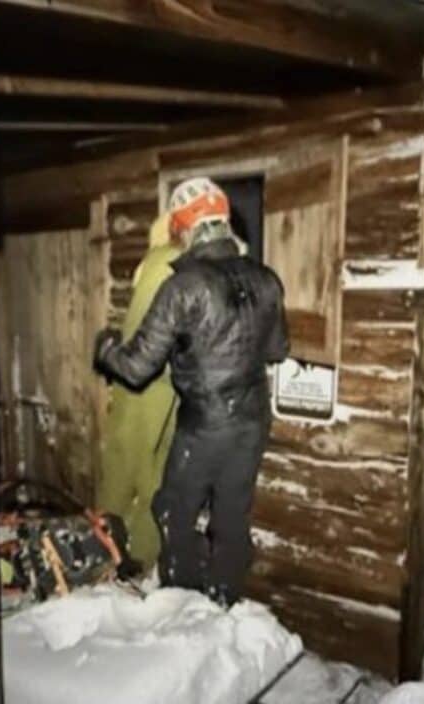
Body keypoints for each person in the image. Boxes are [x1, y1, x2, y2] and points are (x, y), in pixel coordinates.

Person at [93, 177, 289, 606]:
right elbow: (277, 350)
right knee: (231, 519)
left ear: (185, 227)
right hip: (253, 421)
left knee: (172, 512)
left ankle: (181, 604)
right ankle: (224, 600)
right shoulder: (266, 278)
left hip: (204, 425)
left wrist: (105, 347)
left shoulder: (182, 284)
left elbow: (136, 368)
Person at [96, 213, 184, 570]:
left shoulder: (161, 261)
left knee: (125, 457)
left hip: (146, 382)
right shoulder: (198, 266)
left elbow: (138, 329)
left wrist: (113, 359)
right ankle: (144, 552)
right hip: (177, 383)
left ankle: (108, 548)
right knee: (159, 468)